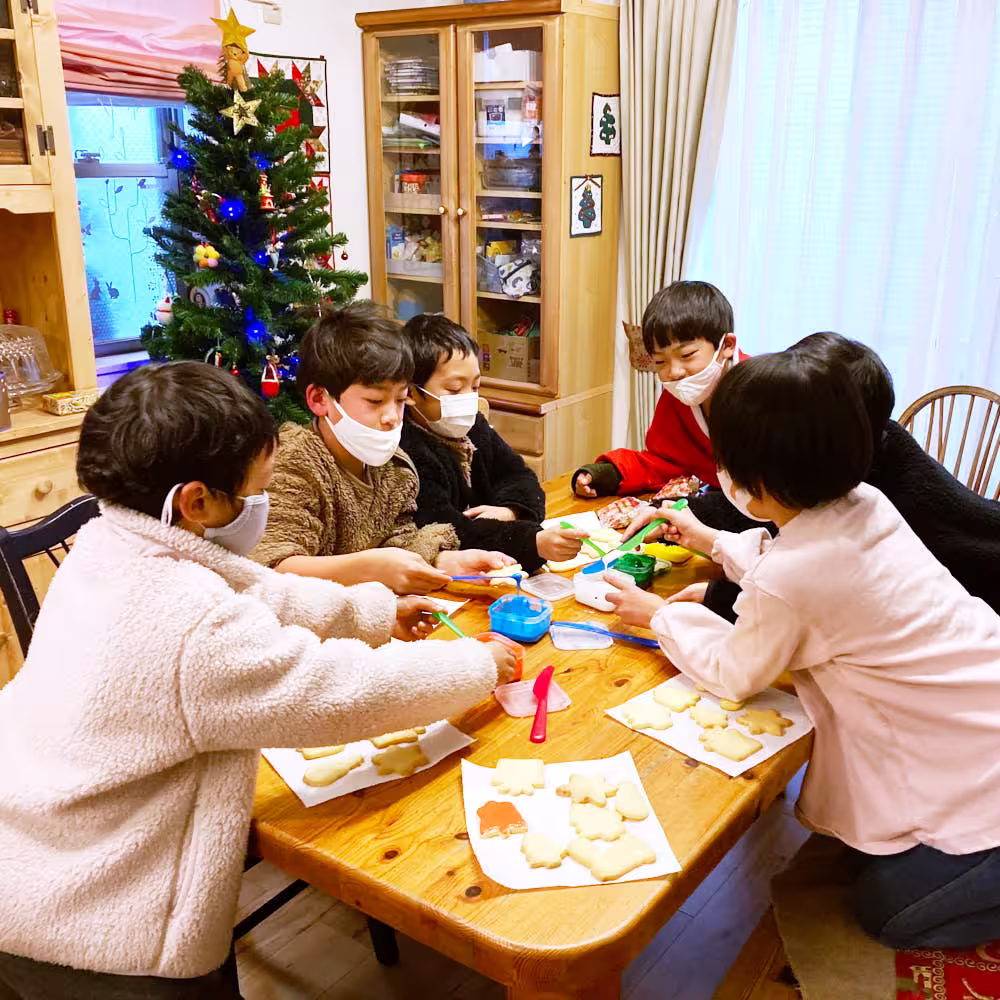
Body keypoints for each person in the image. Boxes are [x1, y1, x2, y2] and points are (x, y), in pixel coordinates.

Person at [0, 362, 518, 998]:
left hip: (28, 849)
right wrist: (475, 665)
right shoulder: (188, 622)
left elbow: (263, 591)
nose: (262, 507)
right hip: (97, 924)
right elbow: (338, 692)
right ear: (196, 501)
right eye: (257, 491)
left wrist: (375, 612)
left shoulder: (115, 540)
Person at [605, 352, 1000, 950]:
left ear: (754, 478)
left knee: (884, 910)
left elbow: (734, 671)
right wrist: (713, 541)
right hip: (976, 708)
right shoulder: (865, 501)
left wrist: (659, 615)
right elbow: (803, 564)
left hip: (977, 759)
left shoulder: (793, 579)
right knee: (864, 856)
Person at [626, 332, 1000, 619]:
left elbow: (801, 599)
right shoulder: (860, 455)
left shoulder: (873, 506)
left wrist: (675, 612)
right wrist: (688, 515)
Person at [251, 303, 513, 594]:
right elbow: (271, 567)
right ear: (319, 399)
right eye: (375, 401)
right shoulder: (291, 464)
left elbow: (399, 542)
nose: (392, 417)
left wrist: (447, 561)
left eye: (400, 400)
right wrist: (369, 568)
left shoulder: (394, 468)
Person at [400, 313, 587, 573]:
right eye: (454, 389)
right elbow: (450, 532)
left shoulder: (473, 427)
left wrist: (510, 510)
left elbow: (520, 477)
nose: (468, 399)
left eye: (475, 387)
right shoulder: (407, 450)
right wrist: (532, 542)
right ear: (410, 392)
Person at [572, 280, 744, 498]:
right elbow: (663, 462)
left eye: (687, 355)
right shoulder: (678, 394)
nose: (675, 372)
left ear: (727, 345)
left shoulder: (764, 391)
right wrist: (604, 475)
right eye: (660, 361)